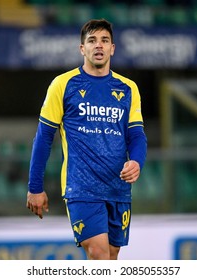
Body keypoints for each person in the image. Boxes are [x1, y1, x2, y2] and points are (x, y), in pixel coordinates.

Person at [26, 19, 147, 260]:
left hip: (118, 187)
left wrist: (136, 162)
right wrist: (34, 187)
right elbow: (43, 137)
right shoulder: (63, 84)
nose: (98, 45)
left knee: (111, 257)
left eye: (104, 40)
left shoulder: (128, 88)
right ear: (82, 48)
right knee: (99, 254)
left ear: (113, 48)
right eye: (92, 40)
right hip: (81, 187)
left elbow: (136, 135)